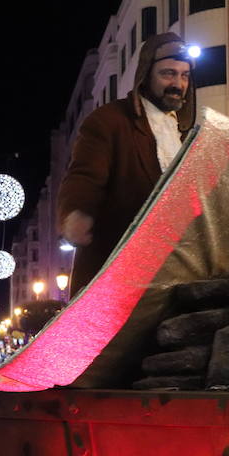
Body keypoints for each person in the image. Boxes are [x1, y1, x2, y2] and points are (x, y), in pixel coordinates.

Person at [58, 32, 197, 297]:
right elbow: (84, 178)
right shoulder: (109, 121)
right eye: (168, 74)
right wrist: (76, 212)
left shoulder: (186, 135)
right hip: (120, 273)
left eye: (184, 75)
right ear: (146, 74)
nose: (178, 84)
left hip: (175, 273)